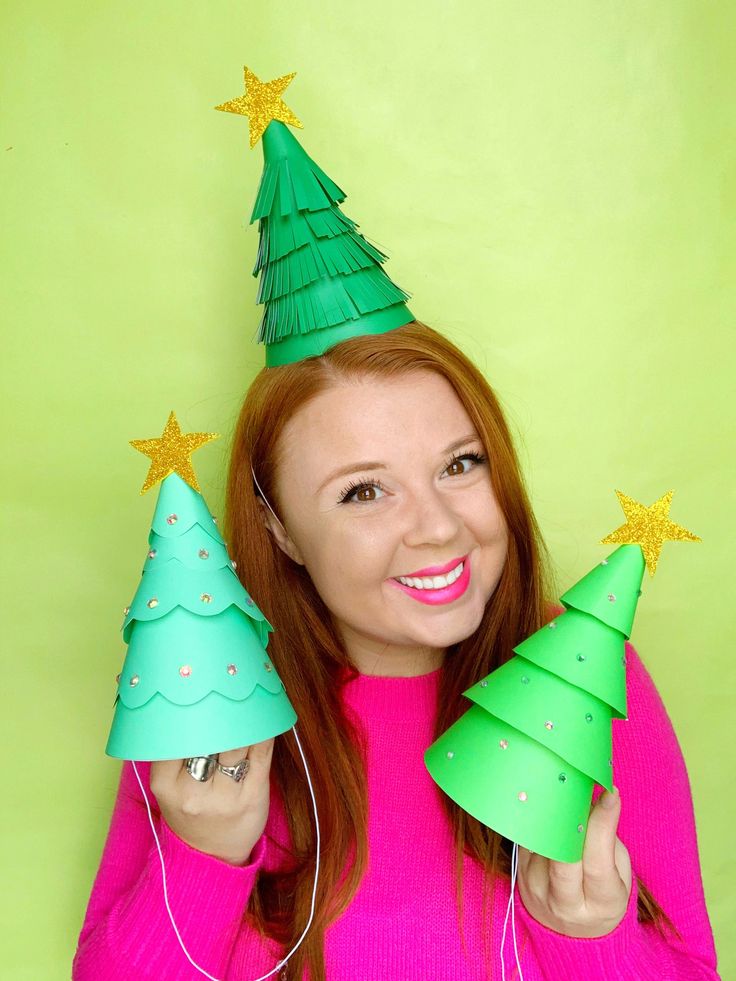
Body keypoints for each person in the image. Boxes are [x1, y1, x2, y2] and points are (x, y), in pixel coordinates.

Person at [72, 320, 721, 980]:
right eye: (364, 491)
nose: (439, 527)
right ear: (282, 530)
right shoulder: (212, 696)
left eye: (459, 463)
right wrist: (200, 856)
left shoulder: (587, 676)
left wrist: (588, 938)